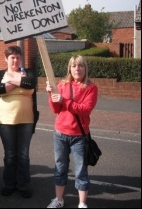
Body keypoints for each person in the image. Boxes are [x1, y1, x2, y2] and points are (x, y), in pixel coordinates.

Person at [45, 55, 98, 209]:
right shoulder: (61, 85)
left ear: (85, 68)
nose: (77, 69)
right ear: (70, 68)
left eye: (80, 66)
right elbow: (56, 109)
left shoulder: (91, 88)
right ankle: (59, 200)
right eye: (74, 66)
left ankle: (82, 203)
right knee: (60, 168)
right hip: (60, 134)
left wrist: (64, 100)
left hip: (79, 136)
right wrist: (51, 94)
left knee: (81, 170)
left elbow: (85, 110)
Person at [0, 45, 38, 199]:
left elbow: (31, 83)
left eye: (18, 57)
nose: (15, 60)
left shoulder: (29, 73)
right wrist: (18, 81)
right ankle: (9, 184)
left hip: (27, 119)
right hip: (5, 121)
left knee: (23, 155)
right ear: (6, 59)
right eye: (12, 57)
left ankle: (24, 185)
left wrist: (9, 82)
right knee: (10, 155)